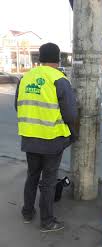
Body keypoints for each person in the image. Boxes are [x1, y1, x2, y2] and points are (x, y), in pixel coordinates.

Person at [15, 42, 78, 232]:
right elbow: (70, 115)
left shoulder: (25, 78)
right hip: (51, 140)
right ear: (58, 59)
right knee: (48, 182)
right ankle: (47, 221)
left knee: (32, 176)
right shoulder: (59, 79)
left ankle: (27, 212)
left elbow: (18, 106)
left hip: (29, 137)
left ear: (39, 59)